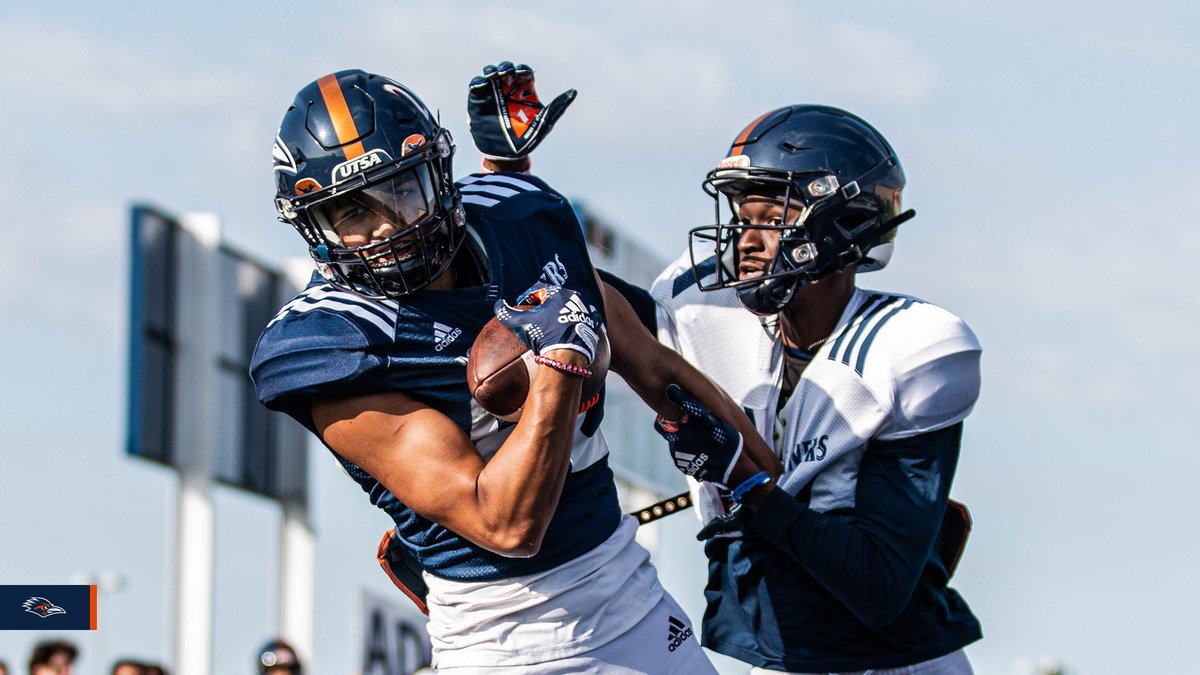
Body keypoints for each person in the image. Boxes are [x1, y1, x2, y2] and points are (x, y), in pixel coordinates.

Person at [251, 64, 772, 673]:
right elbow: (505, 526)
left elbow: (657, 369)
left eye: (399, 190)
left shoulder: (522, 220)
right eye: (351, 214)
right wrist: (559, 365)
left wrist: (769, 485)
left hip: (631, 593)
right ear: (314, 229)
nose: (385, 226)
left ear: (439, 176)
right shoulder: (332, 342)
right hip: (506, 640)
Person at [651, 105, 983, 674]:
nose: (743, 240)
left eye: (769, 216)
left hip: (889, 662)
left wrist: (746, 482)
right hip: (786, 654)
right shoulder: (712, 316)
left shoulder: (909, 348)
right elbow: (591, 306)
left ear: (839, 222)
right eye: (740, 216)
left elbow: (877, 584)